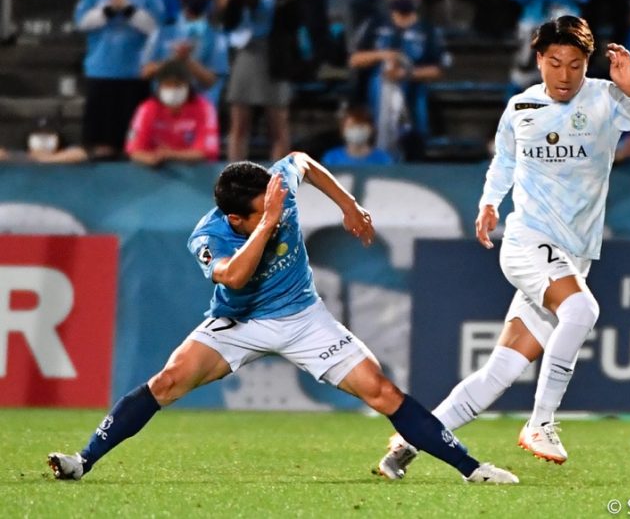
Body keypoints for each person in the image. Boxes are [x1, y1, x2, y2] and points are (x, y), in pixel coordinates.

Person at [47, 152, 519, 485]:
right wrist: (269, 222)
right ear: (235, 219)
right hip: (239, 323)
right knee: (167, 382)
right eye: (258, 214)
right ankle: (82, 461)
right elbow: (232, 278)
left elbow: (302, 160)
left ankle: (473, 470)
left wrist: (347, 205)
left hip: (303, 318)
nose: (277, 208)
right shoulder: (208, 236)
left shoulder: (276, 186)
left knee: (384, 392)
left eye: (272, 204)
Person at [375, 15, 630, 479]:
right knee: (581, 312)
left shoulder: (607, 98)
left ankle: (405, 446)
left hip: (572, 252)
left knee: (500, 371)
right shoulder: (521, 108)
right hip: (527, 240)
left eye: (575, 65)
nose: (565, 75)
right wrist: (488, 203)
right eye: (555, 63)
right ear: (539, 60)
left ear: (586, 65)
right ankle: (541, 422)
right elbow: (504, 162)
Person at [349, 0, 449, 160]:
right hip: (376, 99)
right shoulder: (375, 24)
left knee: (413, 147)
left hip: (413, 99)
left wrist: (406, 74)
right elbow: (355, 59)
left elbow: (437, 69)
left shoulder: (427, 30)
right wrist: (383, 55)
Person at [74, 0, 165, 160]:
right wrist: (109, 10)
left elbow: (154, 26)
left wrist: (127, 9)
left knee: (133, 142)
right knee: (99, 144)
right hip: (100, 73)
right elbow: (82, 22)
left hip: (134, 74)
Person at [220, 0, 294, 162]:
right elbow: (228, 22)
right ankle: (236, 177)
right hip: (247, 52)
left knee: (278, 125)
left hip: (275, 55)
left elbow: (292, 21)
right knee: (239, 123)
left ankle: (279, 181)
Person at [141, 0, 230, 108]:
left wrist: (187, 60)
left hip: (200, 111)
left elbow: (211, 81)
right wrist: (173, 60)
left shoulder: (216, 35)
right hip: (163, 108)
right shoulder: (163, 30)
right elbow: (146, 72)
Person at [125, 60, 219, 165]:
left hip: (195, 170)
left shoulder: (205, 108)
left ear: (188, 86)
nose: (172, 90)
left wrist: (170, 154)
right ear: (159, 87)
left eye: (177, 85)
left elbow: (205, 151)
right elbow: (134, 149)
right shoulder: (147, 108)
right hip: (155, 172)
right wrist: (150, 158)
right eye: (168, 85)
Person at [321, 106, 394, 166]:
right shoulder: (331, 158)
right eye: (351, 126)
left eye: (361, 126)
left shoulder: (384, 160)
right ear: (343, 130)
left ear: (371, 129)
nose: (357, 129)